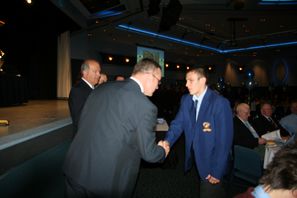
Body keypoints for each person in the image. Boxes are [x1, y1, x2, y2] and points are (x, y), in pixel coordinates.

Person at [63, 58, 169, 198]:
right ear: (149, 76)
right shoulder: (146, 107)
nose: (158, 86)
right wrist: (162, 151)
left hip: (75, 169)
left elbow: (83, 123)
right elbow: (148, 153)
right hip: (105, 183)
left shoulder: (101, 88)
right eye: (158, 80)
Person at [161, 68, 233, 198]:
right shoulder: (186, 99)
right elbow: (178, 124)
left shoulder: (220, 103)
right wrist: (167, 141)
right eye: (186, 80)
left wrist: (217, 170)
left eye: (190, 81)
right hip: (196, 155)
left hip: (212, 161)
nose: (186, 84)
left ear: (203, 81)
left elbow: (224, 141)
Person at [68, 59, 101, 135]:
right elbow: (79, 119)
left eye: (99, 72)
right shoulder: (78, 90)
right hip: (85, 136)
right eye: (95, 71)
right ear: (85, 72)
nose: (99, 74)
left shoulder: (93, 88)